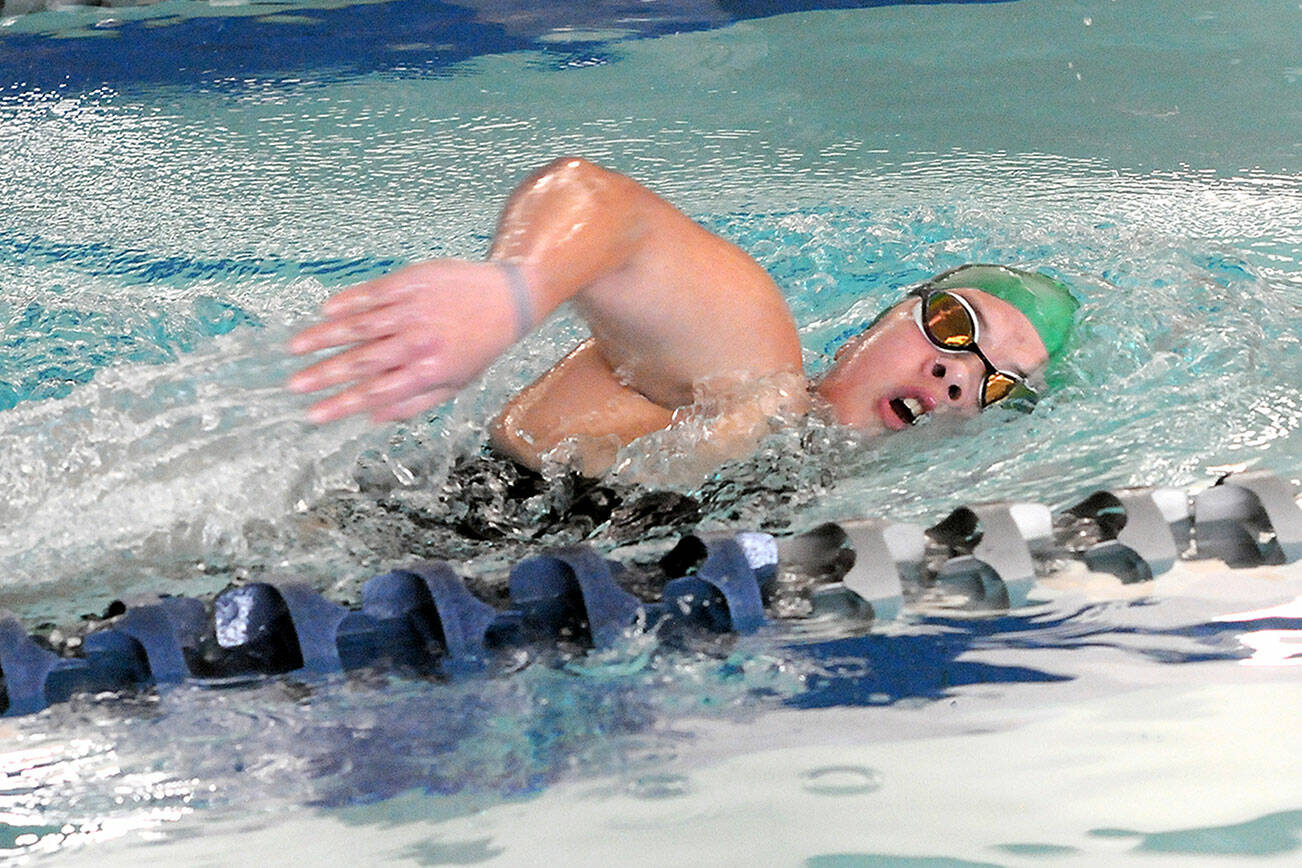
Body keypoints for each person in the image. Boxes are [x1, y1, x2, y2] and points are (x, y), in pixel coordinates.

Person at [288, 157, 1077, 482]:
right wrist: (514, 292)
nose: (956, 371)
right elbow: (605, 204)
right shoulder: (751, 378)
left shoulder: (830, 497)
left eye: (997, 383)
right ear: (875, 325)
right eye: (952, 324)